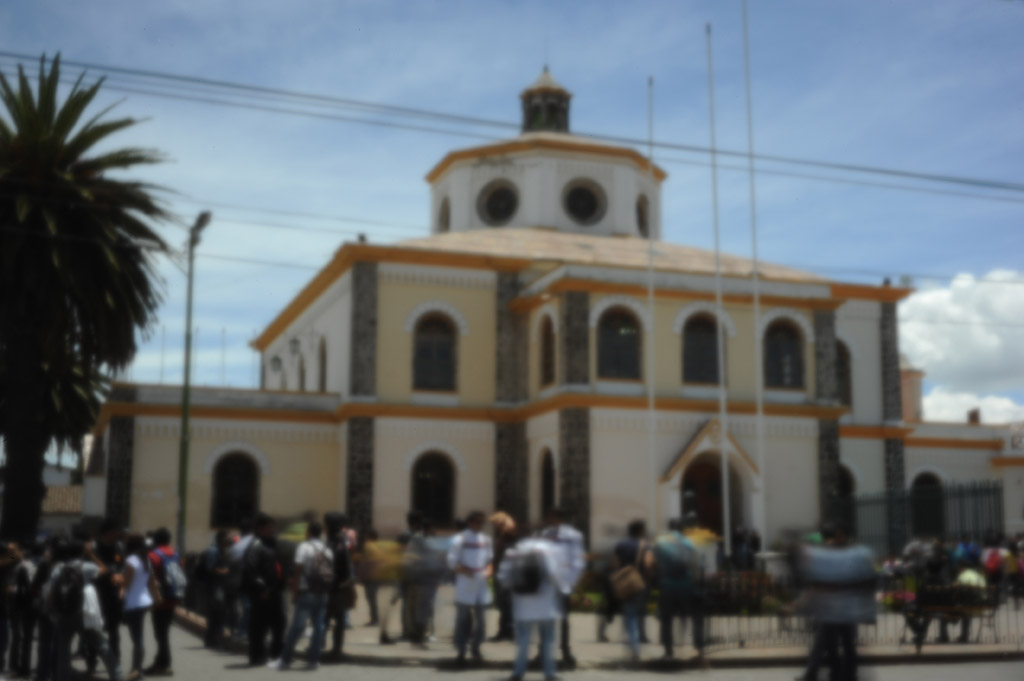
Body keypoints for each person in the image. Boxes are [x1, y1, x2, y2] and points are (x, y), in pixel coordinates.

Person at [801, 523, 876, 681]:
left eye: (838, 535)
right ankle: (839, 674)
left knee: (840, 644)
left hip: (840, 609)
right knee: (837, 644)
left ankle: (840, 674)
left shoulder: (846, 554)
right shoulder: (849, 554)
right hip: (837, 609)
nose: (835, 539)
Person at [45, 539, 124, 681]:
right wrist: (91, 555)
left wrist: (54, 611)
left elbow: (52, 591)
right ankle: (117, 676)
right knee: (102, 645)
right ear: (82, 552)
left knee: (63, 650)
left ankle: (62, 678)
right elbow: (105, 570)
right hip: (84, 613)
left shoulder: (58, 568)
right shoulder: (88, 567)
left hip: (64, 613)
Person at [499, 533, 569, 681]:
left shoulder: (514, 552)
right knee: (548, 641)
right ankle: (549, 673)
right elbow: (553, 574)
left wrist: (514, 591)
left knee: (523, 641)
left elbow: (503, 578)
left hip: (522, 606)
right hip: (546, 606)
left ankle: (518, 672)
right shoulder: (548, 551)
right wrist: (562, 590)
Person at [269, 520, 334, 671]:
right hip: (323, 593)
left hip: (307, 592)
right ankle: (313, 661)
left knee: (297, 627)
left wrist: (295, 591)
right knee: (319, 627)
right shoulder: (327, 550)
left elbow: (298, 570)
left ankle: (285, 660)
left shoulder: (304, 547)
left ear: (309, 532)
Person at [537, 506, 585, 669]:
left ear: (561, 519)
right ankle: (542, 651)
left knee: (564, 620)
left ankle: (565, 651)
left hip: (563, 583)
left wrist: (570, 583)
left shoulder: (573, 536)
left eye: (555, 517)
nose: (552, 521)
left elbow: (577, 561)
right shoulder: (545, 534)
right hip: (547, 584)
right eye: (550, 517)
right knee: (544, 618)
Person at [446, 510, 493, 666]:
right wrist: (467, 571)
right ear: (470, 522)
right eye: (477, 522)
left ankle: (476, 647)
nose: (480, 525)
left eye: (482, 522)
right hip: (466, 583)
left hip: (481, 584)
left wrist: (488, 571)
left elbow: (489, 560)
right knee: (462, 620)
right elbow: (452, 562)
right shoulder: (460, 539)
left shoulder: (486, 539)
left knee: (481, 621)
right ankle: (461, 650)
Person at [653, 518, 703, 661]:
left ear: (669, 528)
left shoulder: (661, 542)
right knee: (694, 616)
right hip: (686, 585)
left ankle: (668, 650)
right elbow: (695, 565)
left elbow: (655, 562)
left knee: (666, 619)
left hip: (667, 585)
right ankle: (697, 646)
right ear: (682, 529)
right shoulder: (688, 543)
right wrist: (696, 580)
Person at [245, 513, 286, 666]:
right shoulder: (256, 546)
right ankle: (256, 656)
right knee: (259, 626)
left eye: (273, 527)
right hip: (262, 593)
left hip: (275, 591)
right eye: (269, 527)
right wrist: (262, 588)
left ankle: (277, 653)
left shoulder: (272, 544)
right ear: (260, 529)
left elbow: (278, 566)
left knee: (279, 623)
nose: (272, 530)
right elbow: (251, 570)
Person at [610, 520, 652, 661]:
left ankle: (631, 645)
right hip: (639, 584)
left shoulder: (621, 544)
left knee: (629, 615)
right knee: (638, 615)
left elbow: (614, 564)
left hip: (625, 584)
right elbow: (648, 563)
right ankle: (636, 647)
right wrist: (648, 578)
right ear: (640, 531)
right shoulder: (645, 545)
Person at [121, 534, 159, 681]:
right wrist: (157, 599)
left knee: (137, 639)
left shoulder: (131, 560)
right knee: (138, 637)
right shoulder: (145, 560)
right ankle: (137, 669)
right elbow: (152, 582)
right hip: (144, 601)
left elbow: (126, 583)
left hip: (133, 603)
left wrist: (118, 583)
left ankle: (136, 670)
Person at [146, 528, 183, 675]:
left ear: (155, 540)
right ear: (169, 539)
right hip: (173, 597)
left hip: (159, 599)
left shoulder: (153, 555)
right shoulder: (176, 554)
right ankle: (160, 662)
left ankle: (164, 664)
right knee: (163, 632)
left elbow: (149, 577)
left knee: (160, 634)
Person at [323, 513, 355, 661]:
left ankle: (329, 648)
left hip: (331, 588)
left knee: (326, 619)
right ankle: (335, 649)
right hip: (337, 588)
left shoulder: (330, 543)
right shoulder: (339, 543)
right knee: (337, 620)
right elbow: (348, 571)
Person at [489, 511, 518, 642]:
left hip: (508, 573)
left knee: (508, 603)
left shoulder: (508, 535)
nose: (493, 526)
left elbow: (511, 528)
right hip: (500, 572)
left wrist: (507, 522)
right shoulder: (501, 535)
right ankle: (504, 630)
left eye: (495, 523)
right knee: (503, 603)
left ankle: (508, 630)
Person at [9, 542, 36, 678]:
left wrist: (14, 590)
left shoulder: (27, 566)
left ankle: (23, 668)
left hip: (25, 605)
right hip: (17, 605)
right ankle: (15, 666)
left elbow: (31, 586)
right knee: (17, 637)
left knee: (24, 638)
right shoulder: (12, 565)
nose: (11, 554)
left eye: (13, 551)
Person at [201, 530, 232, 649]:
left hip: (218, 586)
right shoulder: (214, 551)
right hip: (214, 587)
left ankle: (212, 639)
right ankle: (213, 639)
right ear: (221, 538)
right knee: (216, 613)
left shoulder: (222, 550)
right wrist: (224, 571)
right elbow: (210, 567)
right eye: (227, 537)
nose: (229, 539)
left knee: (217, 613)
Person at [358, 529, 381, 627]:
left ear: (369, 537)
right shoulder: (378, 546)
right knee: (373, 599)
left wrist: (361, 576)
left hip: (370, 577)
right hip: (377, 576)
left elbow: (365, 563)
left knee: (371, 599)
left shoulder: (368, 546)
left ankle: (374, 619)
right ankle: (375, 618)